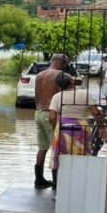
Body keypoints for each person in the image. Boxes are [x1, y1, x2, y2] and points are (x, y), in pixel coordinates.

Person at [48, 72, 104, 191]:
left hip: (62, 127)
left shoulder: (57, 96)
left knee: (60, 156)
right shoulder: (85, 94)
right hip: (81, 127)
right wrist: (102, 126)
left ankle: (59, 188)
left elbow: (52, 117)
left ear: (58, 86)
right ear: (72, 82)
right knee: (81, 156)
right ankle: (80, 188)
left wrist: (55, 127)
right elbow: (95, 113)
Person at [32, 54, 67, 189]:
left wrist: (38, 109)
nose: (66, 67)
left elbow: (36, 95)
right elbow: (66, 93)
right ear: (60, 62)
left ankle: (39, 180)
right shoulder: (60, 75)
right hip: (51, 114)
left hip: (39, 112)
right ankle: (56, 182)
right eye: (65, 64)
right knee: (56, 148)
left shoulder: (40, 75)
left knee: (42, 147)